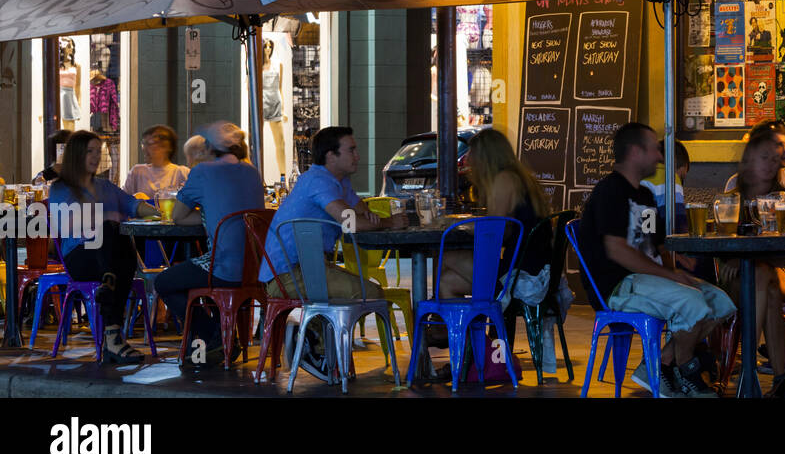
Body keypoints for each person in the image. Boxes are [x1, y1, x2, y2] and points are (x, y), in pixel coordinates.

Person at [576, 122, 735, 397]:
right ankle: (686, 373)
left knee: (720, 301)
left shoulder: (644, 195)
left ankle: (659, 365)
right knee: (693, 303)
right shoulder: (610, 192)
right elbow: (618, 251)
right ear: (635, 152)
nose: (660, 157)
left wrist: (677, 270)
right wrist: (672, 278)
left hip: (646, 280)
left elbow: (655, 244)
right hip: (617, 285)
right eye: (654, 150)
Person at [261, 125, 408, 379]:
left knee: (363, 292)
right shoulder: (318, 181)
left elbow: (361, 214)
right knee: (372, 294)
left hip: (312, 268)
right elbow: (351, 222)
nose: (357, 156)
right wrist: (389, 223)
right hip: (287, 275)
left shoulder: (339, 181)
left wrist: (370, 218)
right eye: (351, 150)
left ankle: (312, 337)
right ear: (331, 156)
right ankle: (307, 339)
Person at [155, 122, 265, 368]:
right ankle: (222, 335)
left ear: (210, 149)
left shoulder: (203, 172)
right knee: (197, 276)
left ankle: (212, 334)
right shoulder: (252, 171)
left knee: (164, 282)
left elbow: (179, 217)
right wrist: (215, 214)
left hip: (224, 268)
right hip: (256, 269)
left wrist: (210, 214)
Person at [48, 130, 159, 364]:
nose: (96, 156)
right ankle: (113, 336)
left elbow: (134, 205)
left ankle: (111, 331)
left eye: (99, 151)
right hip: (79, 257)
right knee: (110, 228)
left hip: (110, 260)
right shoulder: (61, 188)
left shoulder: (106, 186)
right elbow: (67, 224)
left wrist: (162, 213)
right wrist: (104, 217)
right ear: (77, 154)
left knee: (119, 234)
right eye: (90, 151)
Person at [440, 128, 555, 304]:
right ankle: (470, 331)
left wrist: (462, 226)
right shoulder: (520, 178)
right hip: (535, 267)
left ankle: (442, 324)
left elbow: (493, 234)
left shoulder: (504, 180)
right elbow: (505, 229)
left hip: (521, 276)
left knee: (446, 255)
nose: (468, 158)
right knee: (447, 282)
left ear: (485, 156)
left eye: (472, 152)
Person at [719, 130, 785, 381]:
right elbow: (720, 244)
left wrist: (750, 260)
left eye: (776, 159)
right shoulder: (731, 201)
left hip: (782, 271)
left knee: (764, 273)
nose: (771, 164)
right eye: (765, 157)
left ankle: (748, 367)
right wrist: (733, 258)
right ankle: (780, 376)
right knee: (767, 283)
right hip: (739, 275)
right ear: (749, 160)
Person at [122, 124, 190, 200]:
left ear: (167, 147)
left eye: (150, 143)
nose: (144, 148)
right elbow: (124, 201)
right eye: (144, 143)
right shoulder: (137, 171)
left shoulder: (182, 173)